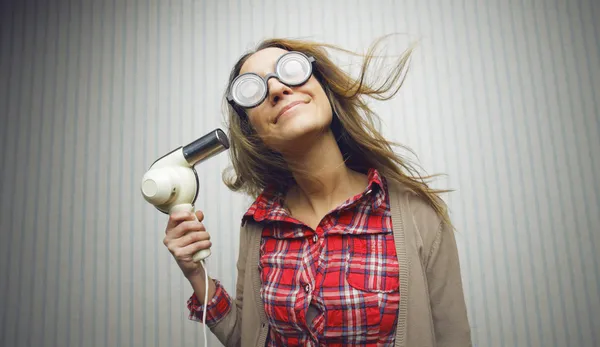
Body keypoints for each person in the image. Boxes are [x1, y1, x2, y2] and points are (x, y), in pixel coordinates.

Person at [162, 35, 472, 347]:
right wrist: (195, 274)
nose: (277, 88)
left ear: (322, 90)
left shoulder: (417, 215)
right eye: (252, 90)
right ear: (254, 133)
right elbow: (248, 338)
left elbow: (453, 337)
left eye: (290, 70)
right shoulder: (258, 225)